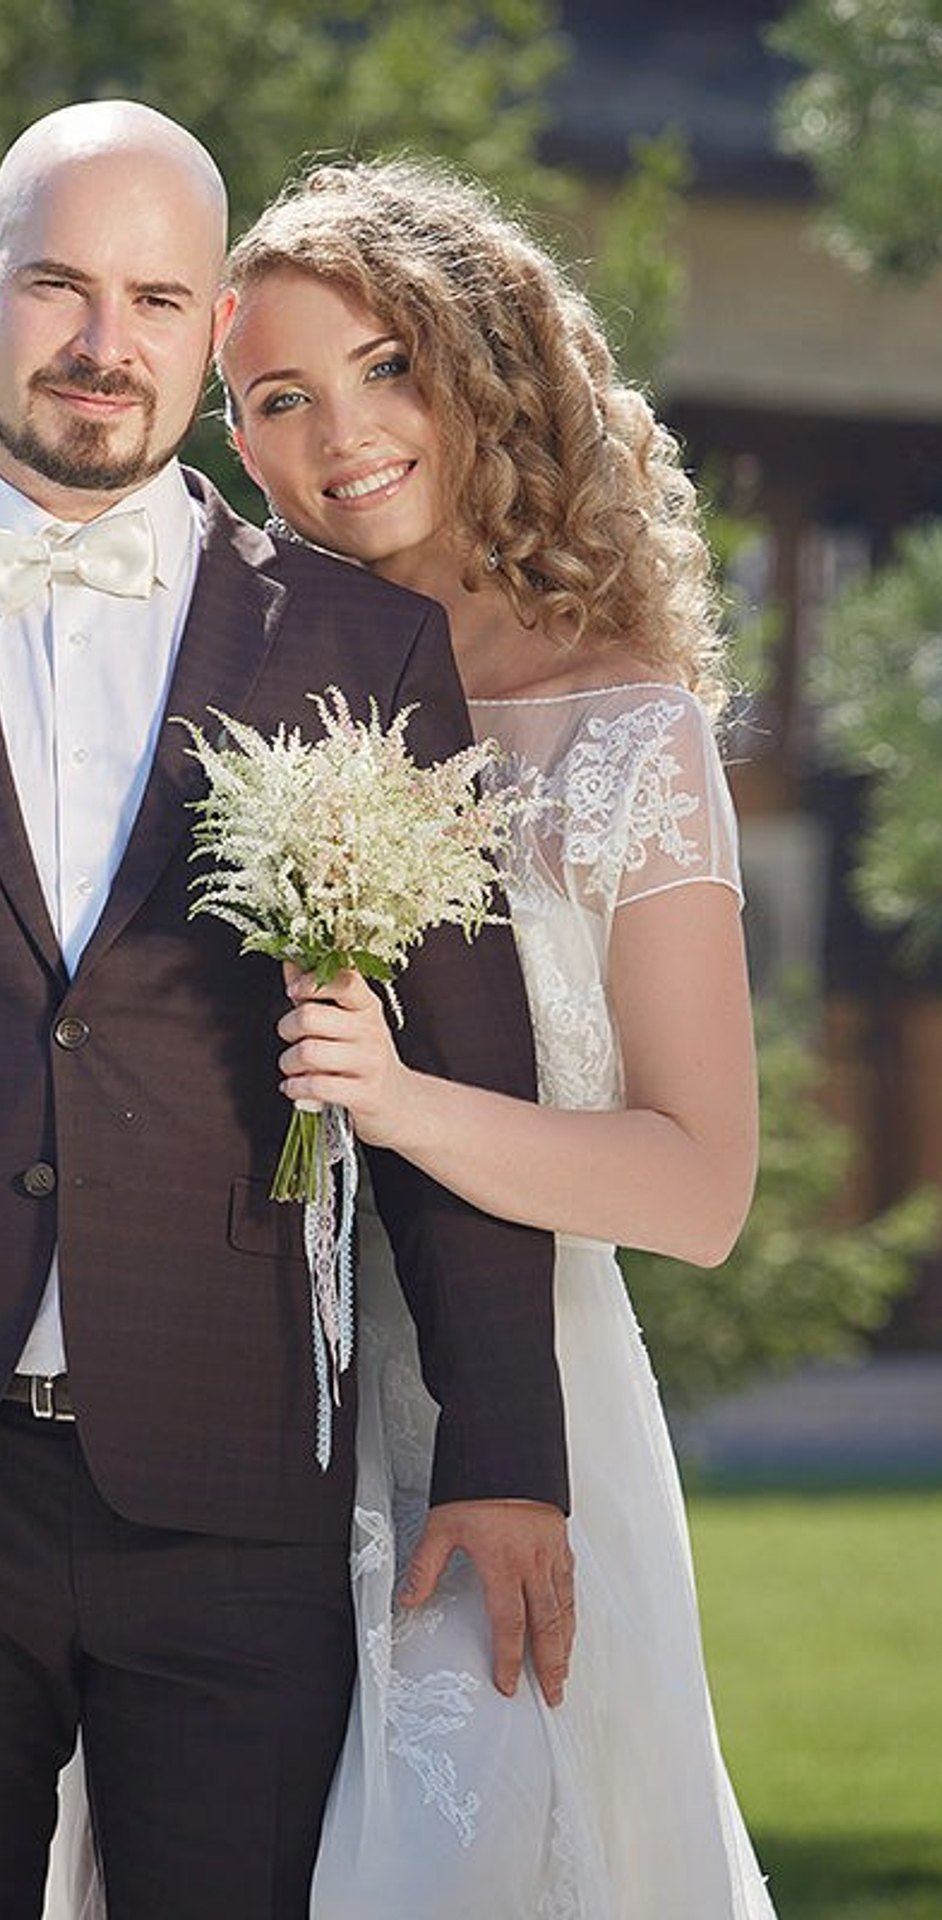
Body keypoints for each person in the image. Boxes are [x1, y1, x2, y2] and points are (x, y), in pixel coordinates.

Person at [0, 105, 574, 1920]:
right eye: (63, 285)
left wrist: (505, 1450)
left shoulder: (360, 648)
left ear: (210, 325)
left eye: (159, 296)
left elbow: (463, 1070)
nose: (106, 340)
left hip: (233, 1484)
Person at [211, 157, 777, 1918]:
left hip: (527, 1413)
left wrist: (398, 1102)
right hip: (228, 1411)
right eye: (278, 399)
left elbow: (699, 1189)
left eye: (386, 366)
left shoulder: (628, 738)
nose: (341, 434)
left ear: (484, 367)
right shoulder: (236, 683)